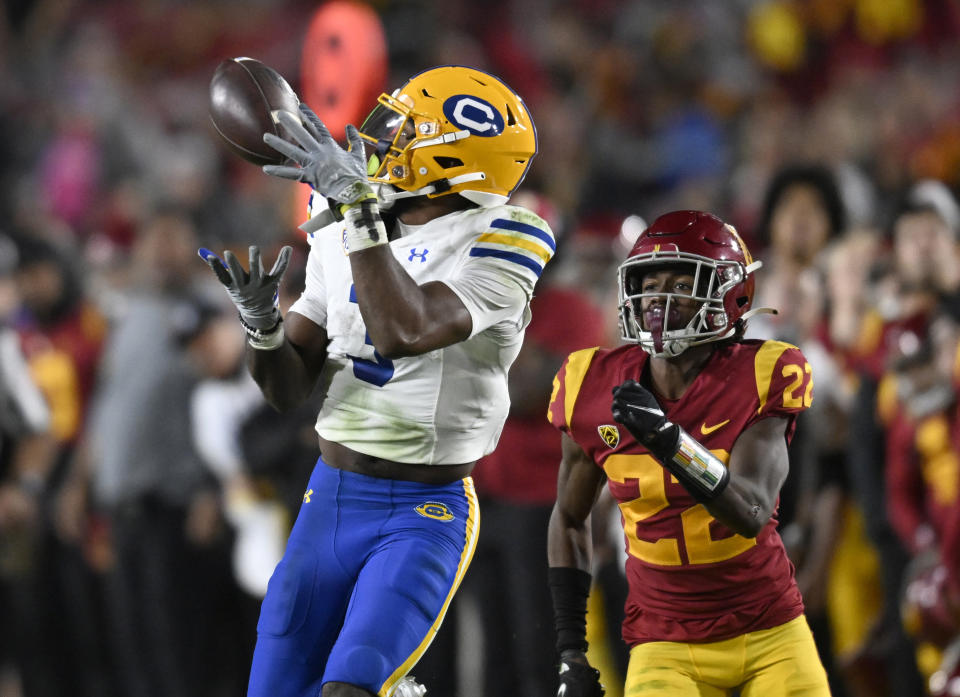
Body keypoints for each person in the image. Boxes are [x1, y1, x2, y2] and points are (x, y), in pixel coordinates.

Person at [199, 65, 553, 697]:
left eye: (404, 131)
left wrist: (359, 213)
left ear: (452, 158)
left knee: (351, 687)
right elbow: (287, 389)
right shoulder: (343, 224)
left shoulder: (506, 233)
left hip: (425, 509)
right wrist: (262, 326)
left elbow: (406, 329)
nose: (378, 142)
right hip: (329, 499)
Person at [546, 210, 831, 696]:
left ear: (729, 293)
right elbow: (570, 519)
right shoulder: (588, 383)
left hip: (770, 632)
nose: (659, 297)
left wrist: (670, 441)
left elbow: (752, 511)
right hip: (664, 642)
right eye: (649, 281)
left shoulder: (765, 371)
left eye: (683, 282)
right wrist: (572, 651)